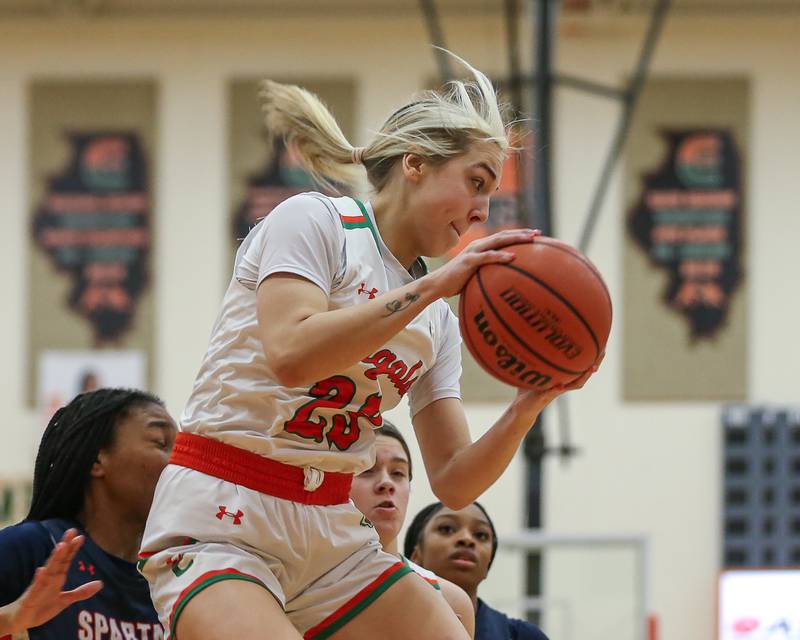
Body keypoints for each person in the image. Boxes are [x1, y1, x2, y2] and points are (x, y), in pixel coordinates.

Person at [138, 49, 600, 640]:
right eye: (476, 182)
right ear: (416, 164)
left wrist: (528, 403)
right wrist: (433, 287)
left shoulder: (438, 321)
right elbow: (290, 353)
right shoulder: (314, 221)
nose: (484, 209)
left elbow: (454, 480)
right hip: (226, 511)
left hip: (332, 529)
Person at [0, 388, 177, 639]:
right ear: (98, 459)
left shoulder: (173, 576)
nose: (180, 462)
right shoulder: (29, 547)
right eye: (161, 442)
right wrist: (10, 618)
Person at [348, 420, 475, 637]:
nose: (386, 483)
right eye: (367, 470)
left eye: (398, 473)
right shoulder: (301, 591)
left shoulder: (452, 600)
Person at [404, 502, 549, 640]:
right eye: (447, 529)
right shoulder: (387, 625)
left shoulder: (523, 636)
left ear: (488, 563)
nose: (467, 539)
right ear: (415, 556)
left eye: (480, 535)